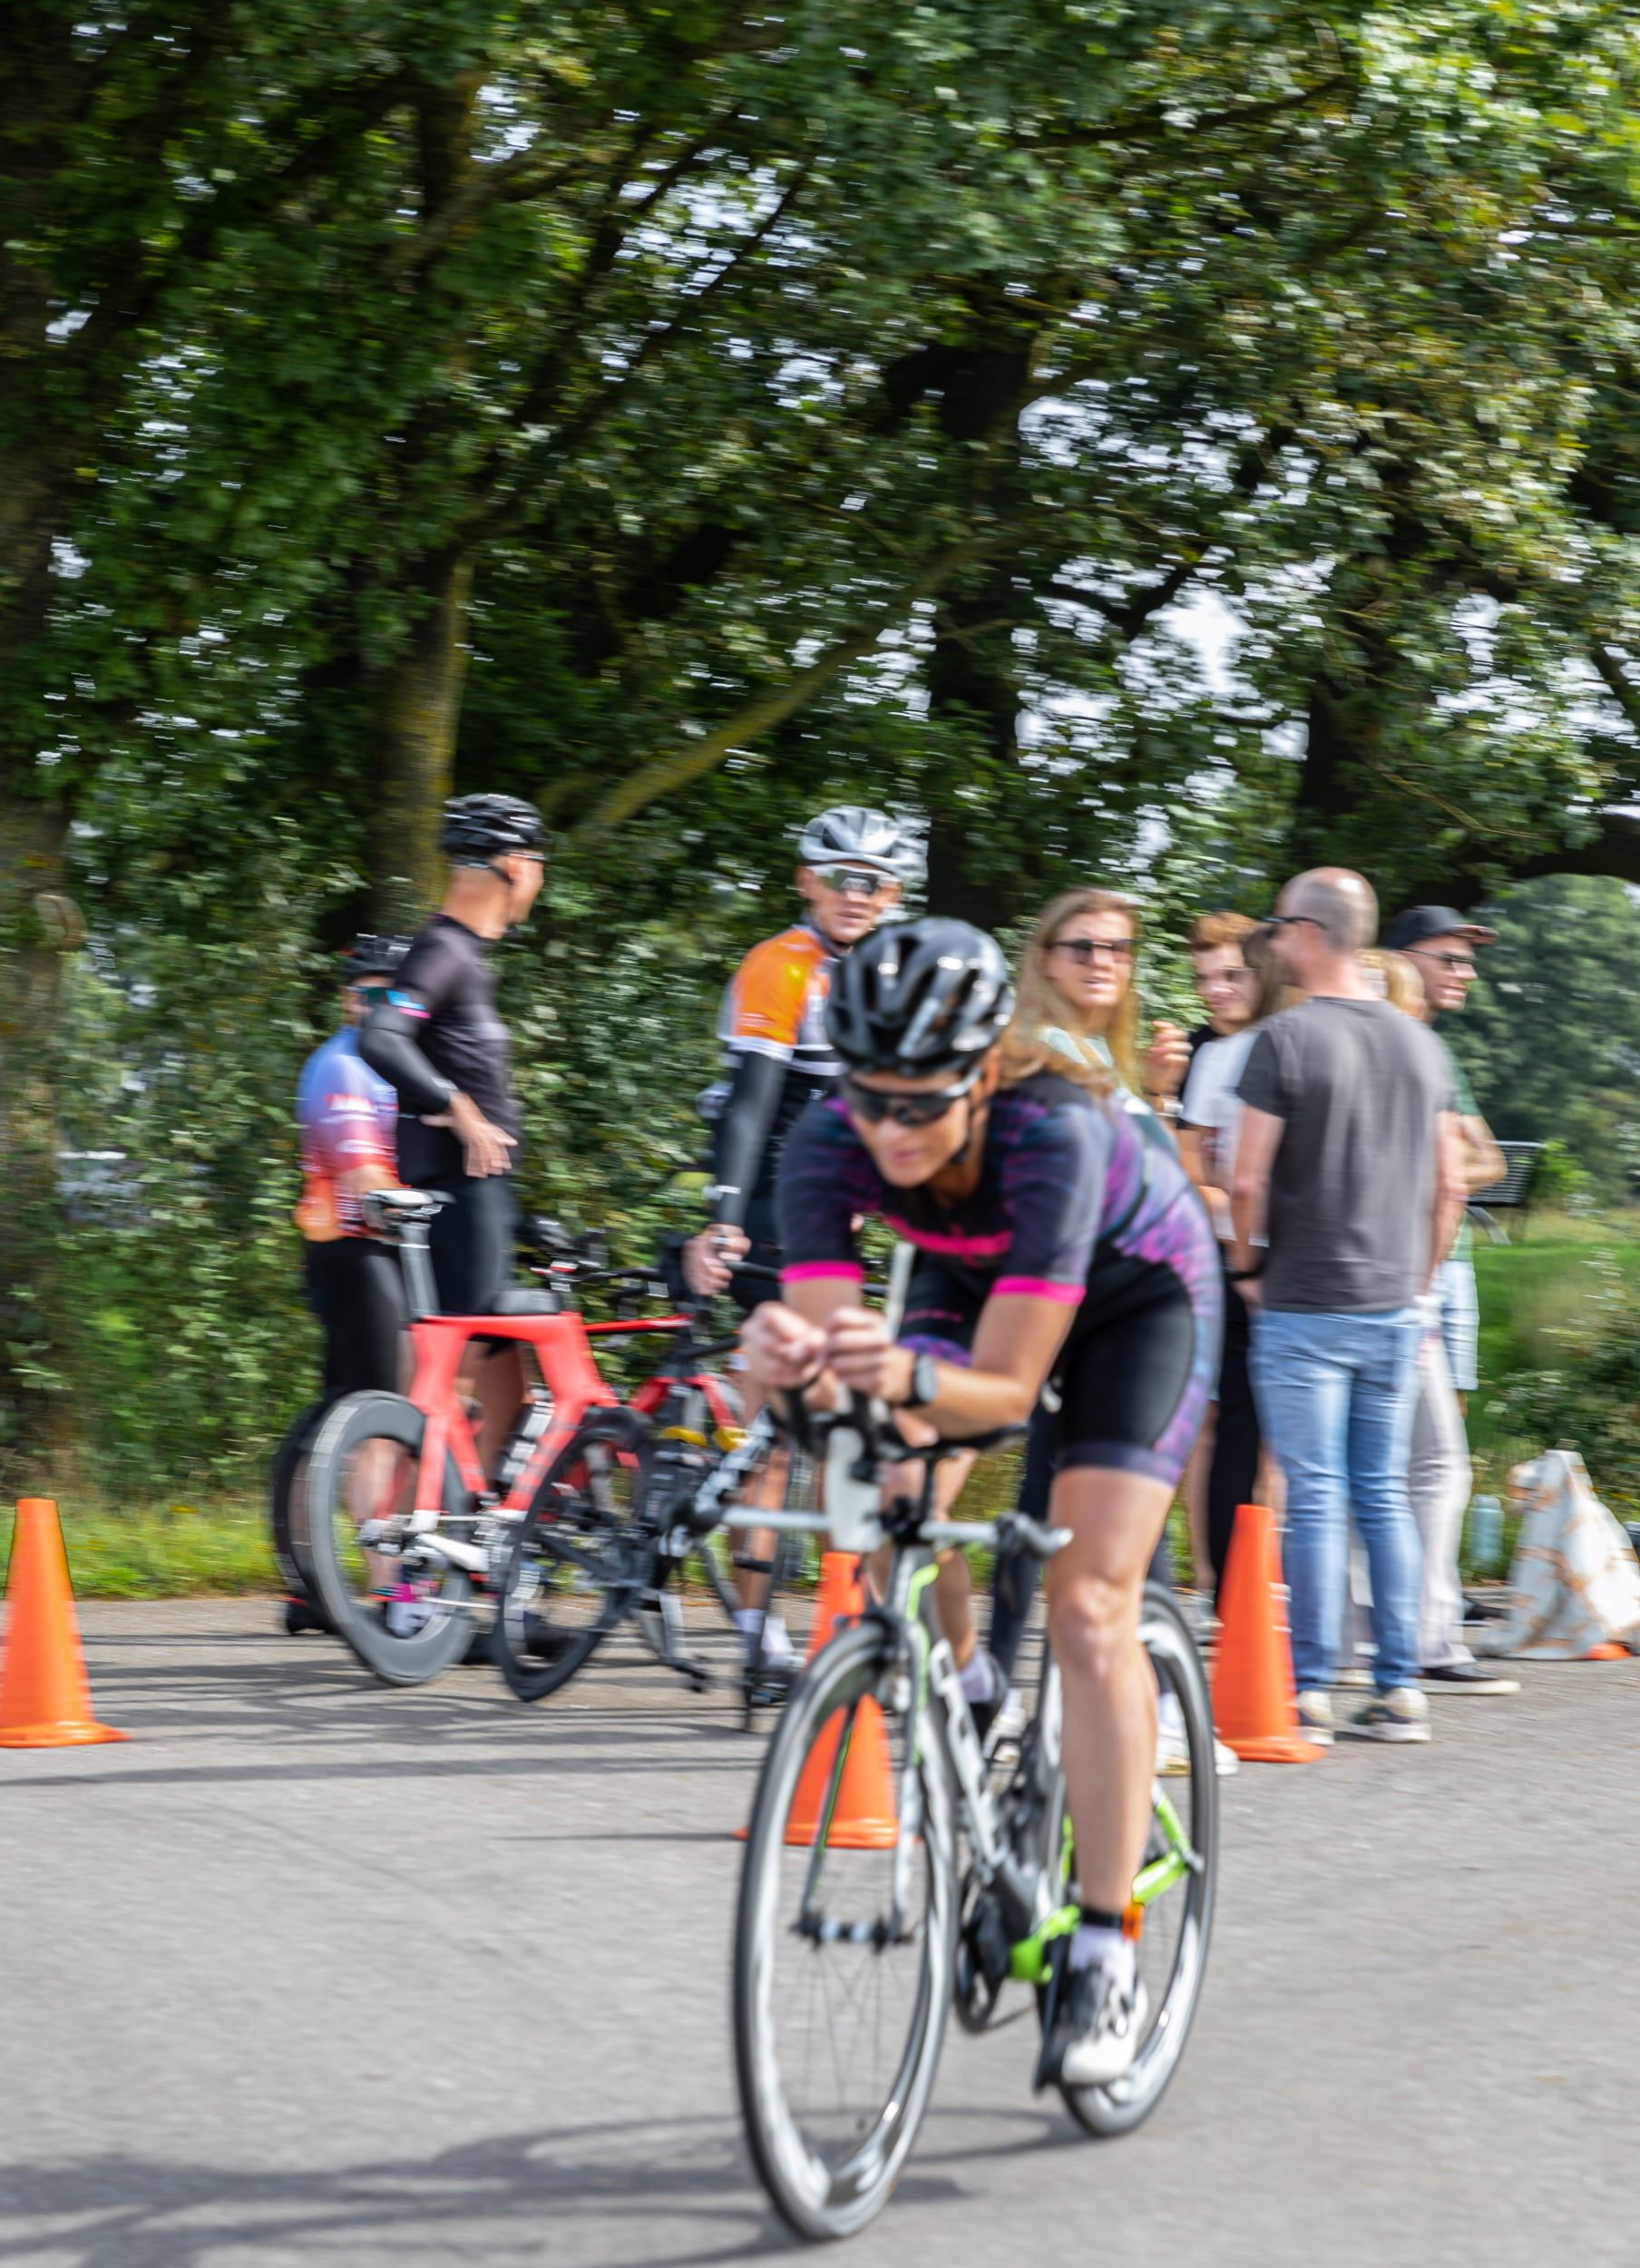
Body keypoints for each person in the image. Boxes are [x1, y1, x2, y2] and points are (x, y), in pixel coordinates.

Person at [747, 916, 1221, 2087]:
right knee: (887, 1490)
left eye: (921, 1103)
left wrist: (892, 1372)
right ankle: (963, 1693)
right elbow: (824, 1371)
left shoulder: (1051, 1128)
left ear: (982, 1072)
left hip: (1140, 1297)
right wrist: (783, 1366)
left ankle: (1105, 1947)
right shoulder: (825, 1140)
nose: (889, 1129)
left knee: (1086, 1603)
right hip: (971, 1280)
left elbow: (1005, 1389)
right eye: (870, 1099)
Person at [1229, 869, 1467, 1745]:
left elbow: (1246, 1175)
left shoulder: (1283, 1041)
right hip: (1393, 1302)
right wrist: (1421, 1280)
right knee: (1385, 1495)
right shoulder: (1421, 1046)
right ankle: (1400, 1686)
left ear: (1310, 933)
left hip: (1303, 1300)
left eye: (1281, 928)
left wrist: (1247, 1266)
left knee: (1318, 1493)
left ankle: (1312, 1686)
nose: (1274, 942)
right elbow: (1451, 1184)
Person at [678, 805, 918, 1668]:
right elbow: (750, 1106)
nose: (858, 896)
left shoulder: (893, 971)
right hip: (778, 1179)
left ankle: (850, 1610)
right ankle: (757, 1627)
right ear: (805, 880)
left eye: (877, 882)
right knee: (789, 1413)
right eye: (841, 878)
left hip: (844, 1185)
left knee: (857, 1414)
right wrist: (728, 1216)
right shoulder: (782, 966)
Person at [986, 887, 1189, 1695]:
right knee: (1125, 1493)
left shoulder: (1099, 1056)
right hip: (1076, 1302)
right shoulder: (1038, 1051)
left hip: (1103, 1302)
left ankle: (993, 1686)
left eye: (1117, 949)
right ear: (1044, 959)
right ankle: (1162, 1699)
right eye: (1082, 947)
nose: (1103, 961)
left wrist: (1162, 1097)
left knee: (1052, 1496)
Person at [360, 793, 548, 1477]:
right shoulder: (444, 950)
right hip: (462, 1200)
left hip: (482, 1201)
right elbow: (381, 1035)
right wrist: (457, 1106)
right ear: (516, 868)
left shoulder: (464, 955)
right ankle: (402, 1568)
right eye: (537, 864)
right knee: (445, 1393)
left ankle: (491, 1552)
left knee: (511, 1397)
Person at [1380, 907, 1518, 1696]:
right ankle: (1414, 1637)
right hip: (1405, 1279)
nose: (1465, 973)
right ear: (1404, 960)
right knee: (1415, 1463)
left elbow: (1486, 1160)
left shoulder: (1439, 1053)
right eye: (1451, 959)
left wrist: (1441, 1175)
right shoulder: (1407, 1048)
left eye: (1470, 961)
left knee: (1419, 1458)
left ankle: (1408, 1630)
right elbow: (1453, 1167)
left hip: (1430, 1270)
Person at [1177, 926, 1287, 1595]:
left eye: (1231, 977)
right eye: (1204, 980)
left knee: (1277, 1430)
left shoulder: (1297, 1035)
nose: (1215, 992)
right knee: (1229, 1424)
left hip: (1306, 1258)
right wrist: (1242, 1240)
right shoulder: (1216, 1058)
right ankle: (1226, 1583)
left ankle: (1261, 1578)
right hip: (1235, 1260)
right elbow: (1192, 1163)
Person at [294, 934, 409, 1401]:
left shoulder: (396, 1064)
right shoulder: (344, 1066)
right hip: (355, 1251)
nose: (382, 1007)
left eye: (394, 996)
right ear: (348, 1000)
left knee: (348, 1400)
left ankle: (304, 1471)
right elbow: (367, 1182)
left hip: (392, 1246)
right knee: (379, 1400)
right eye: (369, 995)